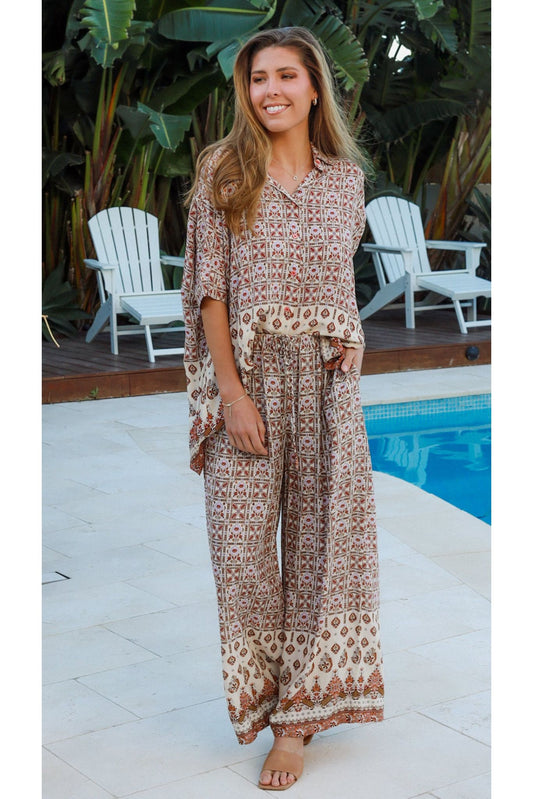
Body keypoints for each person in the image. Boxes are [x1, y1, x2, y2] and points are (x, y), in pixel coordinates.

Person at [181, 26, 384, 792]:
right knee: (242, 558)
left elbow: (338, 277)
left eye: (285, 76)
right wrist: (231, 394)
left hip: (327, 388)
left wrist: (352, 335)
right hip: (249, 378)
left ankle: (294, 724)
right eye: (257, 78)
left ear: (313, 85)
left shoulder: (345, 181)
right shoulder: (224, 170)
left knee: (319, 552)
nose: (270, 90)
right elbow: (209, 291)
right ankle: (262, 698)